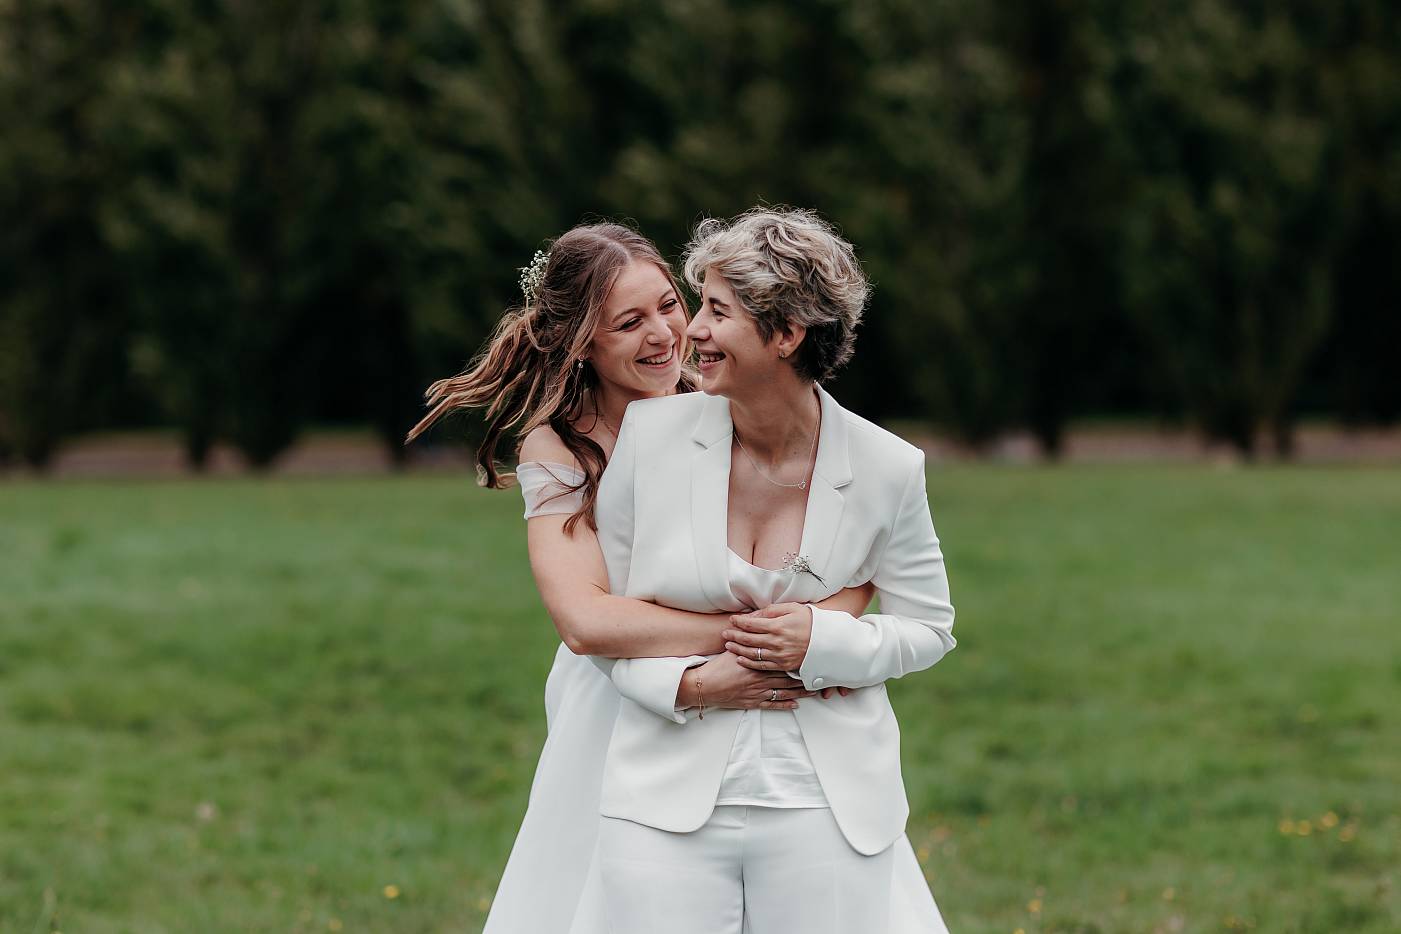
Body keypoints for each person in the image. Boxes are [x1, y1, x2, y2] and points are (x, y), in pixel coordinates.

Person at [405, 222, 877, 932]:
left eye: (668, 305)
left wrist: (812, 641)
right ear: (581, 344)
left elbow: (855, 549)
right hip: (618, 706)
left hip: (765, 693)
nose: (663, 334)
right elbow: (585, 622)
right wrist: (738, 646)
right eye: (629, 323)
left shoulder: (728, 401)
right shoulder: (561, 445)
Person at [573, 207, 956, 933]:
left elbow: (929, 628)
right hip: (662, 798)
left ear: (785, 336)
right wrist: (689, 683)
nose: (694, 331)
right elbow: (612, 626)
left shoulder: (887, 469)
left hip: (824, 799)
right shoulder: (650, 442)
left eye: (717, 311)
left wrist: (818, 642)